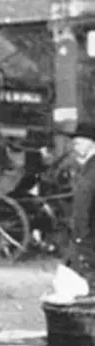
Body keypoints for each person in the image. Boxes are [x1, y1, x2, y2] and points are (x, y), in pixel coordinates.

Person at [67, 122, 95, 289]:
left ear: (91, 141)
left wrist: (80, 239)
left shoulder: (92, 170)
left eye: (79, 140)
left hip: (88, 243)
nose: (75, 143)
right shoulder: (88, 167)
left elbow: (83, 206)